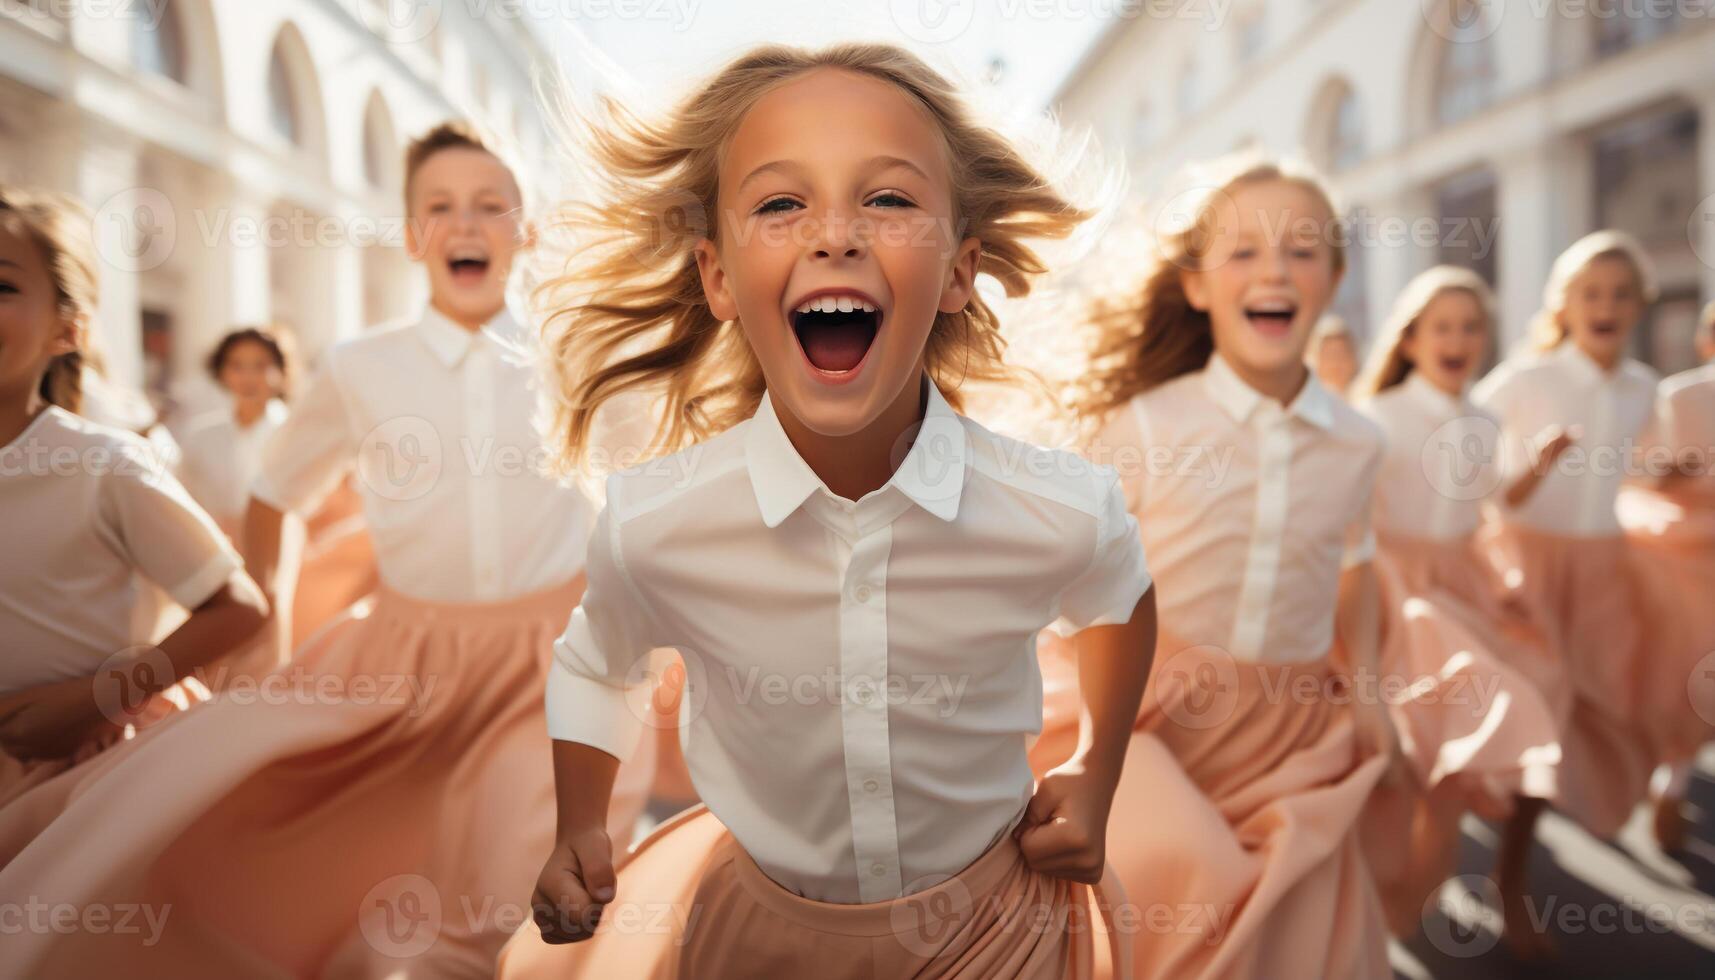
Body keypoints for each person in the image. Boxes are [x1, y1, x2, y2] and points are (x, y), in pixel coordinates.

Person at [503, 43, 1156, 979]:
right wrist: (578, 822)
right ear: (719, 278)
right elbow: (596, 667)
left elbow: (1120, 601)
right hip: (759, 943)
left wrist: (1096, 773)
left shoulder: (1055, 506)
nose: (834, 234)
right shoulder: (656, 524)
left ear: (960, 272)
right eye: (779, 204)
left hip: (1003, 933)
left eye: (886, 199)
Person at [0, 124, 652, 979]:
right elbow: (276, 494)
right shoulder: (360, 366)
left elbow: (646, 492)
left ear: (526, 230)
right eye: (441, 207)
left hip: (556, 669)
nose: (467, 223)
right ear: (414, 235)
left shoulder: (582, 356)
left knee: (505, 897)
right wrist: (264, 658)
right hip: (400, 664)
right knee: (256, 831)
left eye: (493, 206)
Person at [1034, 153, 1396, 979]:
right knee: (1177, 896)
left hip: (1288, 732)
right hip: (1139, 714)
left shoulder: (1360, 441)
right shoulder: (1148, 426)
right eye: (1242, 252)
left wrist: (1370, 688)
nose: (1274, 268)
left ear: (1333, 280)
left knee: (1299, 941)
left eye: (1301, 251)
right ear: (1197, 287)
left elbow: (1353, 565)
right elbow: (1076, 580)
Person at [0, 185, 268, 806]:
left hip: (93, 784)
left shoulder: (102, 463)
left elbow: (239, 607)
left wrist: (101, 697)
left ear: (67, 330)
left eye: (3, 286)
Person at [1348, 266, 1560, 939]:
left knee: (1544, 692)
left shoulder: (1484, 418)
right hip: (1394, 592)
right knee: (1410, 751)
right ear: (1410, 340)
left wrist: (1540, 466)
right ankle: (1392, 896)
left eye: (1471, 327)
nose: (1458, 338)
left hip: (1465, 586)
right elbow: (1346, 517)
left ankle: (1510, 878)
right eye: (1442, 326)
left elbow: (1492, 499)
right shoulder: (1375, 419)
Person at [1470, 230, 1661, 956]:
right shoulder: (1525, 378)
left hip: (1604, 573)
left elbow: (1640, 476)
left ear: (1637, 305)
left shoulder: (1643, 387)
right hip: (1526, 570)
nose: (1604, 305)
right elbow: (1484, 486)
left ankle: (1660, 798)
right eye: (1589, 292)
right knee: (1537, 728)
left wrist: (1671, 471)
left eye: (1618, 293)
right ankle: (1509, 879)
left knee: (1606, 714)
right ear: (1563, 304)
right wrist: (1536, 465)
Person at [1622, 298, 1715, 850]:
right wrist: (1670, 474)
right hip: (1689, 547)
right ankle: (1672, 780)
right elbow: (1637, 473)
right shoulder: (1678, 395)